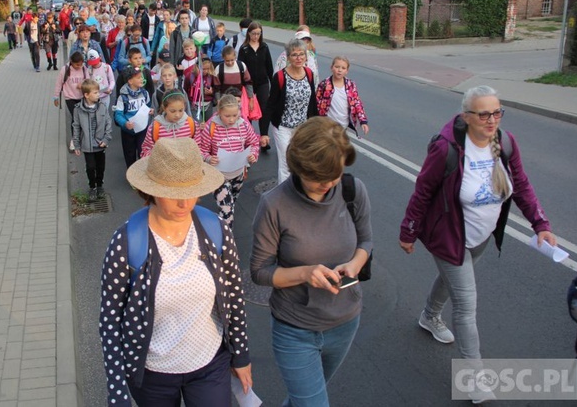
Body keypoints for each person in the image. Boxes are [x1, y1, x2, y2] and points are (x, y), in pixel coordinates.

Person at [398, 86, 555, 401]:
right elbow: (424, 190)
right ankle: (474, 380)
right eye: (484, 113)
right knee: (466, 306)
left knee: (451, 281)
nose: (492, 119)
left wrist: (540, 224)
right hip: (448, 236)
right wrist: (408, 230)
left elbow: (521, 184)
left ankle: (429, 316)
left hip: (482, 235)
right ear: (466, 116)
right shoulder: (447, 149)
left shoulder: (506, 143)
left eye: (497, 112)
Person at [99, 137, 252, 406]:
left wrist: (241, 354)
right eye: (174, 194)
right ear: (151, 191)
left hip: (210, 364)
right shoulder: (126, 242)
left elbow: (234, 294)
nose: (185, 204)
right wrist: (117, 389)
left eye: (192, 191)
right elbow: (110, 319)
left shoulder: (215, 230)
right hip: (151, 373)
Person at [250, 117, 372, 407]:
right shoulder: (274, 204)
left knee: (302, 399)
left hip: (345, 322)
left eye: (335, 175)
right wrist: (306, 273)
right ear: (299, 168)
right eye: (319, 179)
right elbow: (259, 272)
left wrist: (355, 263)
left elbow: (366, 241)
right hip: (295, 330)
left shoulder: (354, 191)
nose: (329, 184)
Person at [199, 94, 259, 229]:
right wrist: (208, 158)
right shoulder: (211, 126)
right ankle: (226, 241)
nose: (232, 120)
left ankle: (224, 216)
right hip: (218, 175)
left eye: (235, 115)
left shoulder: (244, 124)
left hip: (238, 173)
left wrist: (253, 155)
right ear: (219, 112)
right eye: (227, 116)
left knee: (231, 202)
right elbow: (201, 149)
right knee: (227, 211)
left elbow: (254, 142)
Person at [263, 38, 317, 184]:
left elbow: (313, 101)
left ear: (306, 57)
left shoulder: (309, 74)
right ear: (288, 58)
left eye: (301, 54)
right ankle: (284, 197)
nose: (298, 58)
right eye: (294, 55)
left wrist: (316, 125)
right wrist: (263, 133)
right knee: (286, 163)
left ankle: (298, 192)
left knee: (301, 162)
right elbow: (271, 105)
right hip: (283, 127)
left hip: (302, 128)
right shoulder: (280, 77)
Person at [72, 79, 112, 200]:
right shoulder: (78, 109)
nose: (98, 95)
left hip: (100, 144)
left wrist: (106, 139)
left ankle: (100, 186)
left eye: (98, 92)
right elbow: (76, 127)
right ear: (86, 95)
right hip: (87, 145)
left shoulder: (102, 107)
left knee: (100, 166)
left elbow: (108, 123)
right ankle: (92, 187)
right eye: (95, 93)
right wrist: (76, 145)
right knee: (90, 167)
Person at [237, 22, 274, 148]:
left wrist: (272, 82)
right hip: (249, 84)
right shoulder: (244, 49)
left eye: (258, 34)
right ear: (249, 34)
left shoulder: (264, 47)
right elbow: (241, 68)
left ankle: (264, 138)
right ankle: (250, 138)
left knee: (264, 109)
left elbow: (269, 66)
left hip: (263, 82)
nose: (256, 36)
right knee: (249, 110)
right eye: (253, 34)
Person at [315, 56, 369, 137]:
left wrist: (363, 121)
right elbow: (316, 103)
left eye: (343, 68)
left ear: (347, 71)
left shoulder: (350, 85)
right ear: (331, 68)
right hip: (327, 125)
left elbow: (357, 103)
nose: (339, 70)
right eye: (337, 67)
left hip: (343, 126)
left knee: (340, 148)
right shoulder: (324, 84)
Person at [140, 89, 200, 157]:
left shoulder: (192, 124)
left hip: (187, 166)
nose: (177, 115)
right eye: (173, 111)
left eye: (180, 110)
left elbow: (198, 147)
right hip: (162, 166)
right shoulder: (154, 128)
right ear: (164, 108)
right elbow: (146, 150)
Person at [114, 67, 153, 168]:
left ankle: (141, 174)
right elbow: (118, 114)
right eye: (139, 77)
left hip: (142, 129)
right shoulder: (123, 97)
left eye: (142, 77)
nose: (141, 79)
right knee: (129, 154)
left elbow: (147, 106)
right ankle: (131, 174)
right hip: (128, 131)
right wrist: (125, 123)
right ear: (130, 81)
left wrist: (150, 111)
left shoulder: (145, 93)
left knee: (142, 151)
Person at [54, 51, 86, 151]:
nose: (79, 66)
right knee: (76, 118)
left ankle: (80, 138)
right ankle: (74, 140)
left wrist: (83, 85)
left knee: (81, 118)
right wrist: (56, 96)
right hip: (70, 97)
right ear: (71, 62)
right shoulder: (65, 70)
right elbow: (59, 83)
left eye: (81, 64)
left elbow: (88, 81)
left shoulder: (84, 69)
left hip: (81, 97)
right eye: (77, 65)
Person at [184, 56, 215, 123]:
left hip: (207, 104)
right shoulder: (190, 76)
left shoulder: (211, 76)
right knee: (198, 124)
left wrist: (211, 92)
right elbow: (185, 90)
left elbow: (217, 89)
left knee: (208, 123)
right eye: (203, 69)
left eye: (207, 69)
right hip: (194, 105)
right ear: (197, 67)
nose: (205, 71)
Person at [169, 9, 196, 79]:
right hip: (179, 62)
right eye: (182, 18)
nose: (184, 20)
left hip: (191, 62)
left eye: (186, 18)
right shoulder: (175, 33)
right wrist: (172, 66)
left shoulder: (194, 32)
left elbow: (197, 49)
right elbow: (171, 50)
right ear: (179, 20)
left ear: (189, 19)